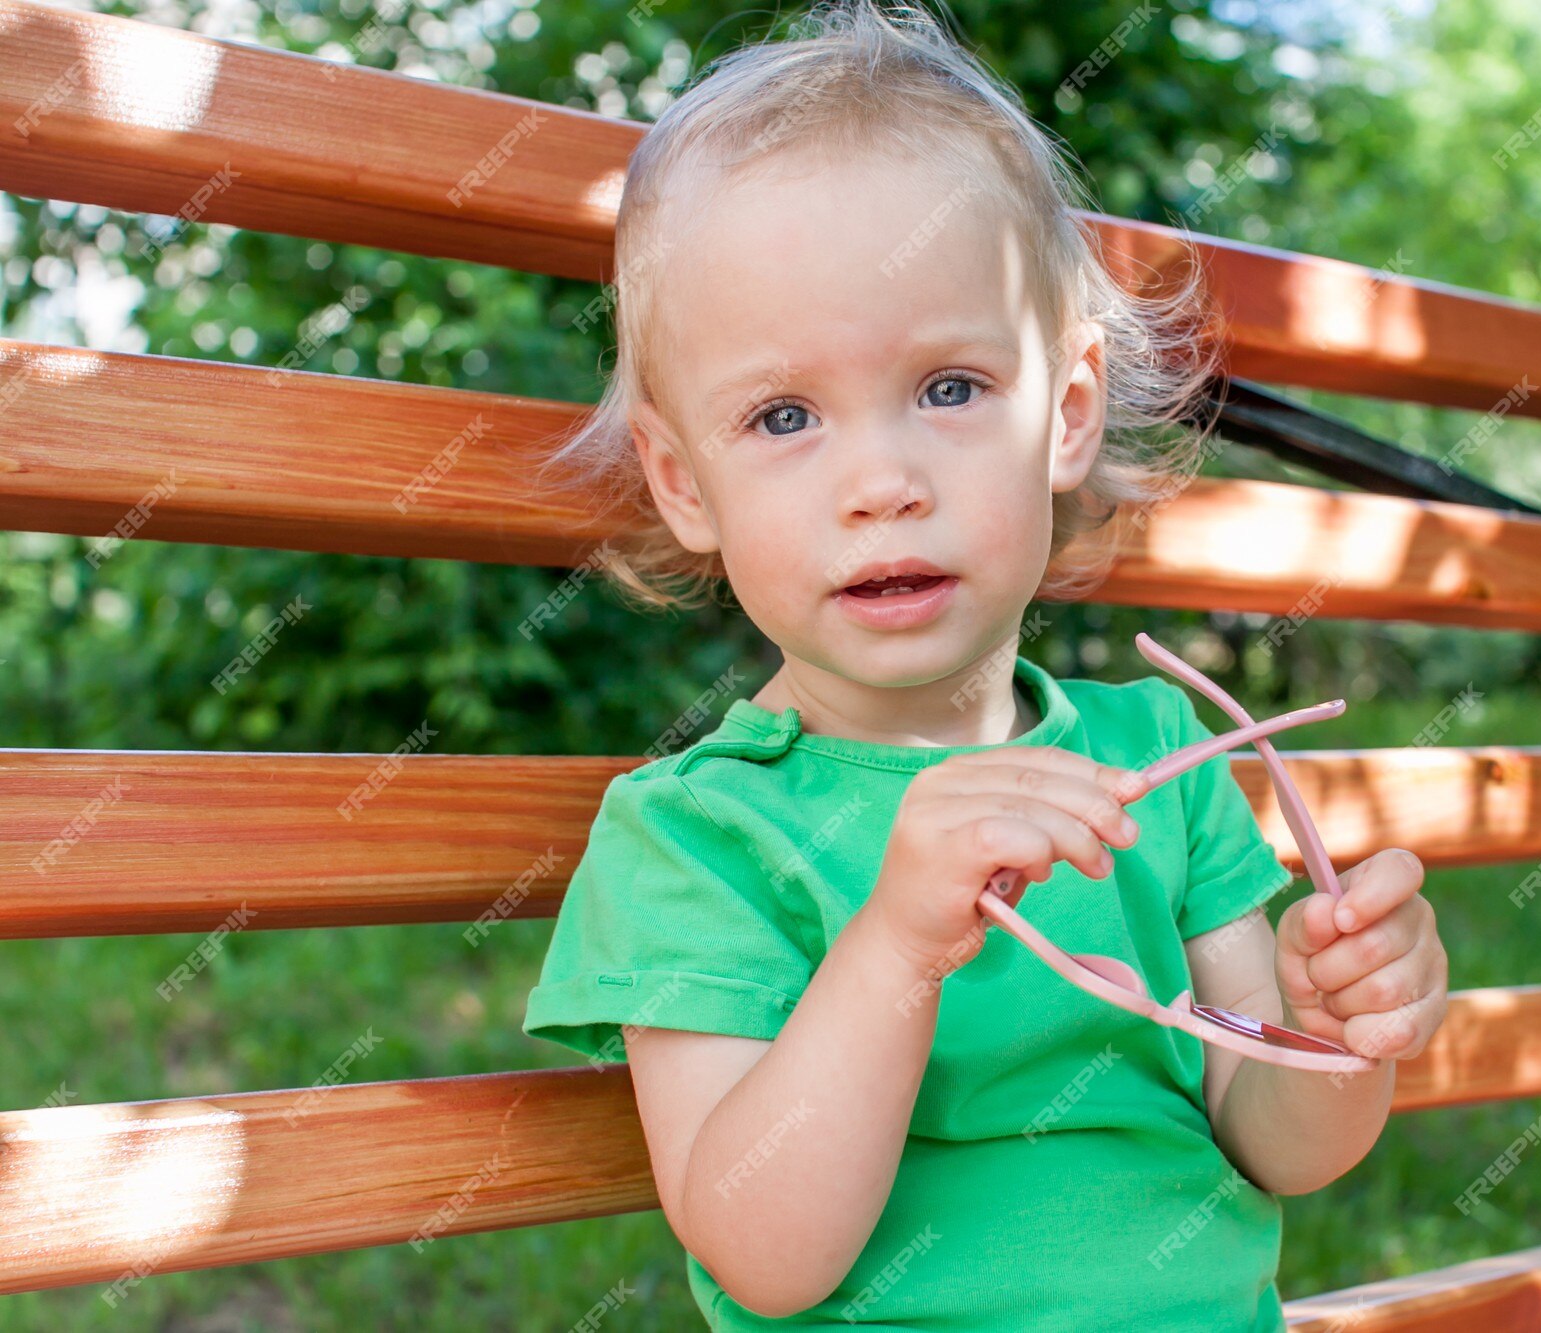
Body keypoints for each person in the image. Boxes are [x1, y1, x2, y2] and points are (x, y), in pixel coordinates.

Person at [521, 2, 1448, 1326]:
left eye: (950, 387)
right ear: (683, 482)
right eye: (784, 416)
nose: (884, 482)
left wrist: (1330, 1030)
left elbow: (1277, 1140)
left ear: (1065, 412)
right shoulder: (699, 837)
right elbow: (765, 1251)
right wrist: (897, 946)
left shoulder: (1151, 768)